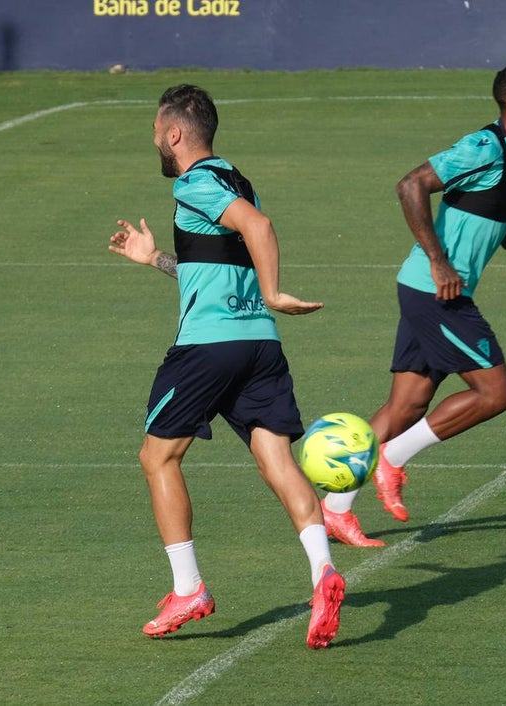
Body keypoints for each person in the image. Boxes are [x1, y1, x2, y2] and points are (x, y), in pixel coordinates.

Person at [107, 83, 345, 648]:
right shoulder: (233, 177)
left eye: (156, 133)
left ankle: (188, 587)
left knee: (158, 456)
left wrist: (276, 290)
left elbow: (258, 231)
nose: (156, 143)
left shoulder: (194, 182)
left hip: (209, 346)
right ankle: (324, 573)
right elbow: (214, 262)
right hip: (258, 342)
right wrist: (156, 259)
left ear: (174, 133)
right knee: (276, 460)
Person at [320, 59, 506, 547]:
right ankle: (393, 459)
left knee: (407, 404)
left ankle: (333, 508)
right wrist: (439, 261)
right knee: (495, 392)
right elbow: (410, 185)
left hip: (430, 290)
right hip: (436, 292)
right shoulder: (482, 148)